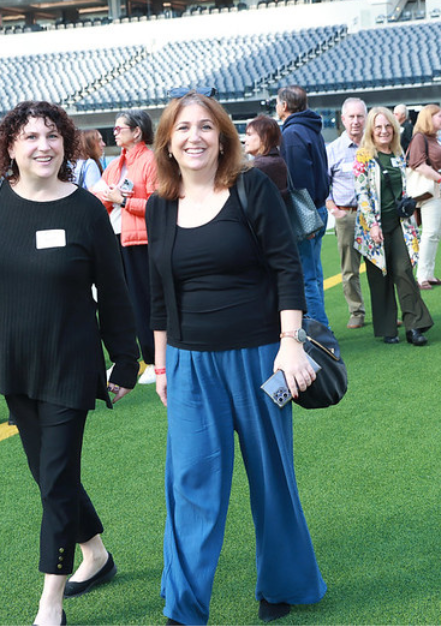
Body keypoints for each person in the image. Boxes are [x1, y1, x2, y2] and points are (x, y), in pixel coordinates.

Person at [0, 101, 140, 626]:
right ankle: (96, 554)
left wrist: (125, 359)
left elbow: (114, 291)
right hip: (11, 360)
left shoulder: (86, 209)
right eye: (30, 137)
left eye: (52, 136)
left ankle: (50, 603)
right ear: (10, 146)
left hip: (70, 361)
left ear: (66, 144)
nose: (43, 146)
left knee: (55, 475)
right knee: (48, 473)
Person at [147, 90, 327, 625]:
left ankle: (284, 583)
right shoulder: (159, 205)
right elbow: (159, 294)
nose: (194, 137)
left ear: (223, 137)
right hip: (188, 364)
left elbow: (287, 268)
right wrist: (161, 365)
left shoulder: (252, 187)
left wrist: (289, 342)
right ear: (168, 143)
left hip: (259, 357)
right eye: (183, 128)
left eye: (206, 126)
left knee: (272, 476)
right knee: (191, 484)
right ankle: (184, 607)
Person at [353, 107, 434, 346]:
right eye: (378, 127)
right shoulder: (363, 156)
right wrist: (372, 225)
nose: (383, 131)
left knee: (403, 271)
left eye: (388, 126)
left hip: (400, 224)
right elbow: (362, 193)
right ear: (371, 130)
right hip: (373, 226)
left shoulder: (399, 154)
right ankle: (387, 328)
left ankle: (414, 326)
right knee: (379, 276)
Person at [91, 110, 158, 384]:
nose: (114, 133)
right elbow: (98, 197)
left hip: (141, 243)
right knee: (122, 305)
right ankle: (129, 360)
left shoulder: (150, 161)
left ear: (137, 131)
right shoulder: (117, 164)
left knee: (143, 303)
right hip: (117, 240)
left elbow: (158, 206)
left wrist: (124, 201)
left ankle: (155, 360)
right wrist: (111, 199)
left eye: (120, 128)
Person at [276, 85, 330, 327]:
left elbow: (298, 181)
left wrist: (302, 218)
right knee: (314, 274)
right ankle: (322, 328)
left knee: (307, 277)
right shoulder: (310, 128)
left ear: (285, 105)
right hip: (318, 207)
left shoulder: (292, 134)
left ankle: (320, 332)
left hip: (306, 212)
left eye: (277, 102)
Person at [326, 97, 368, 329]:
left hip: (373, 217)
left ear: (366, 118)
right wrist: (334, 210)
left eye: (360, 116)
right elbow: (323, 186)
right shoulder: (333, 150)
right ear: (343, 119)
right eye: (351, 116)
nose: (355, 121)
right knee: (350, 269)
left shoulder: (373, 147)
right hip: (347, 215)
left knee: (380, 267)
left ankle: (385, 313)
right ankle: (356, 311)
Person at [407, 104, 441, 290]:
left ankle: (428, 273)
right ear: (429, 118)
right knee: (430, 233)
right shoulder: (420, 138)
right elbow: (417, 164)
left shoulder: (435, 139)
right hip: (432, 191)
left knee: (435, 234)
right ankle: (421, 276)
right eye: (439, 116)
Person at [244, 114, 289, 200]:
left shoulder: (260, 166)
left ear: (264, 137)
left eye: (249, 135)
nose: (245, 140)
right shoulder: (276, 160)